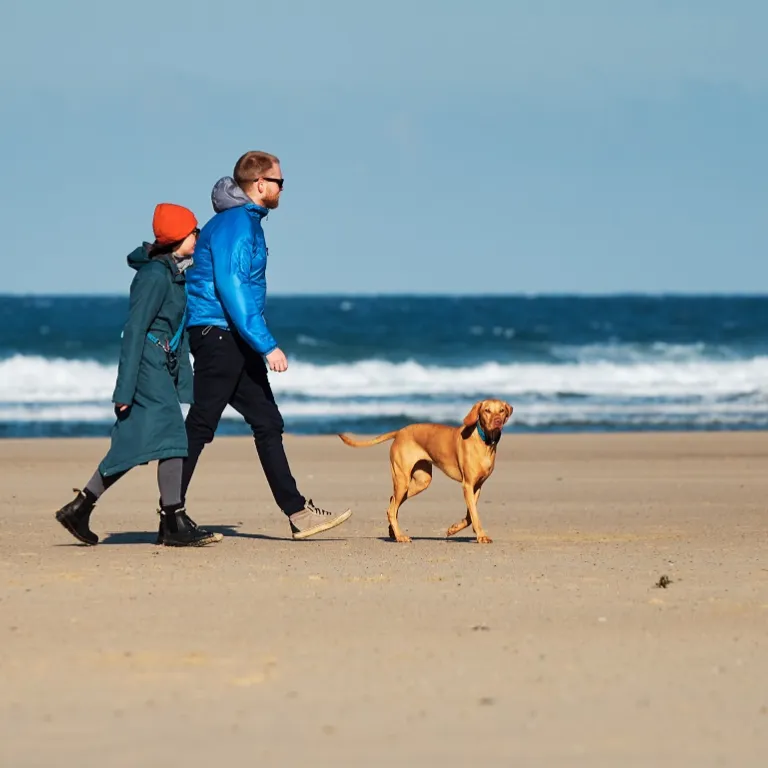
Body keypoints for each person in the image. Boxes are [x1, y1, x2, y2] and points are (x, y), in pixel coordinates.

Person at [182, 151, 352, 539]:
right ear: (260, 183)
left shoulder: (247, 222)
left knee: (267, 422)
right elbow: (233, 287)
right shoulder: (237, 224)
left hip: (232, 335)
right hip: (218, 333)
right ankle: (170, 512)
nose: (281, 188)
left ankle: (297, 513)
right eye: (279, 181)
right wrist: (266, 345)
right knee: (201, 425)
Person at [55, 204, 222, 548]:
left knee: (134, 441)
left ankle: (81, 507)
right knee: (174, 436)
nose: (198, 237)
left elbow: (175, 329)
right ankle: (173, 520)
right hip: (147, 365)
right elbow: (134, 331)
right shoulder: (154, 276)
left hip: (159, 364)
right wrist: (124, 390)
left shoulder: (173, 272)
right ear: (179, 237)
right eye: (194, 232)